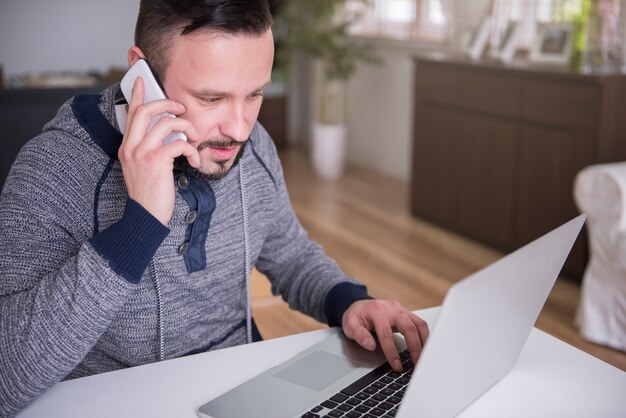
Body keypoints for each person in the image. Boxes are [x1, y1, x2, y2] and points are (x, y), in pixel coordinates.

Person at [0, 1, 428, 415]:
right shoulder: (52, 171)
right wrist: (140, 224)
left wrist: (349, 303)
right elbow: (6, 379)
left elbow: (290, 254)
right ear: (140, 75)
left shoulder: (253, 144)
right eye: (211, 99)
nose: (240, 128)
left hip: (243, 397)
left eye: (254, 93)